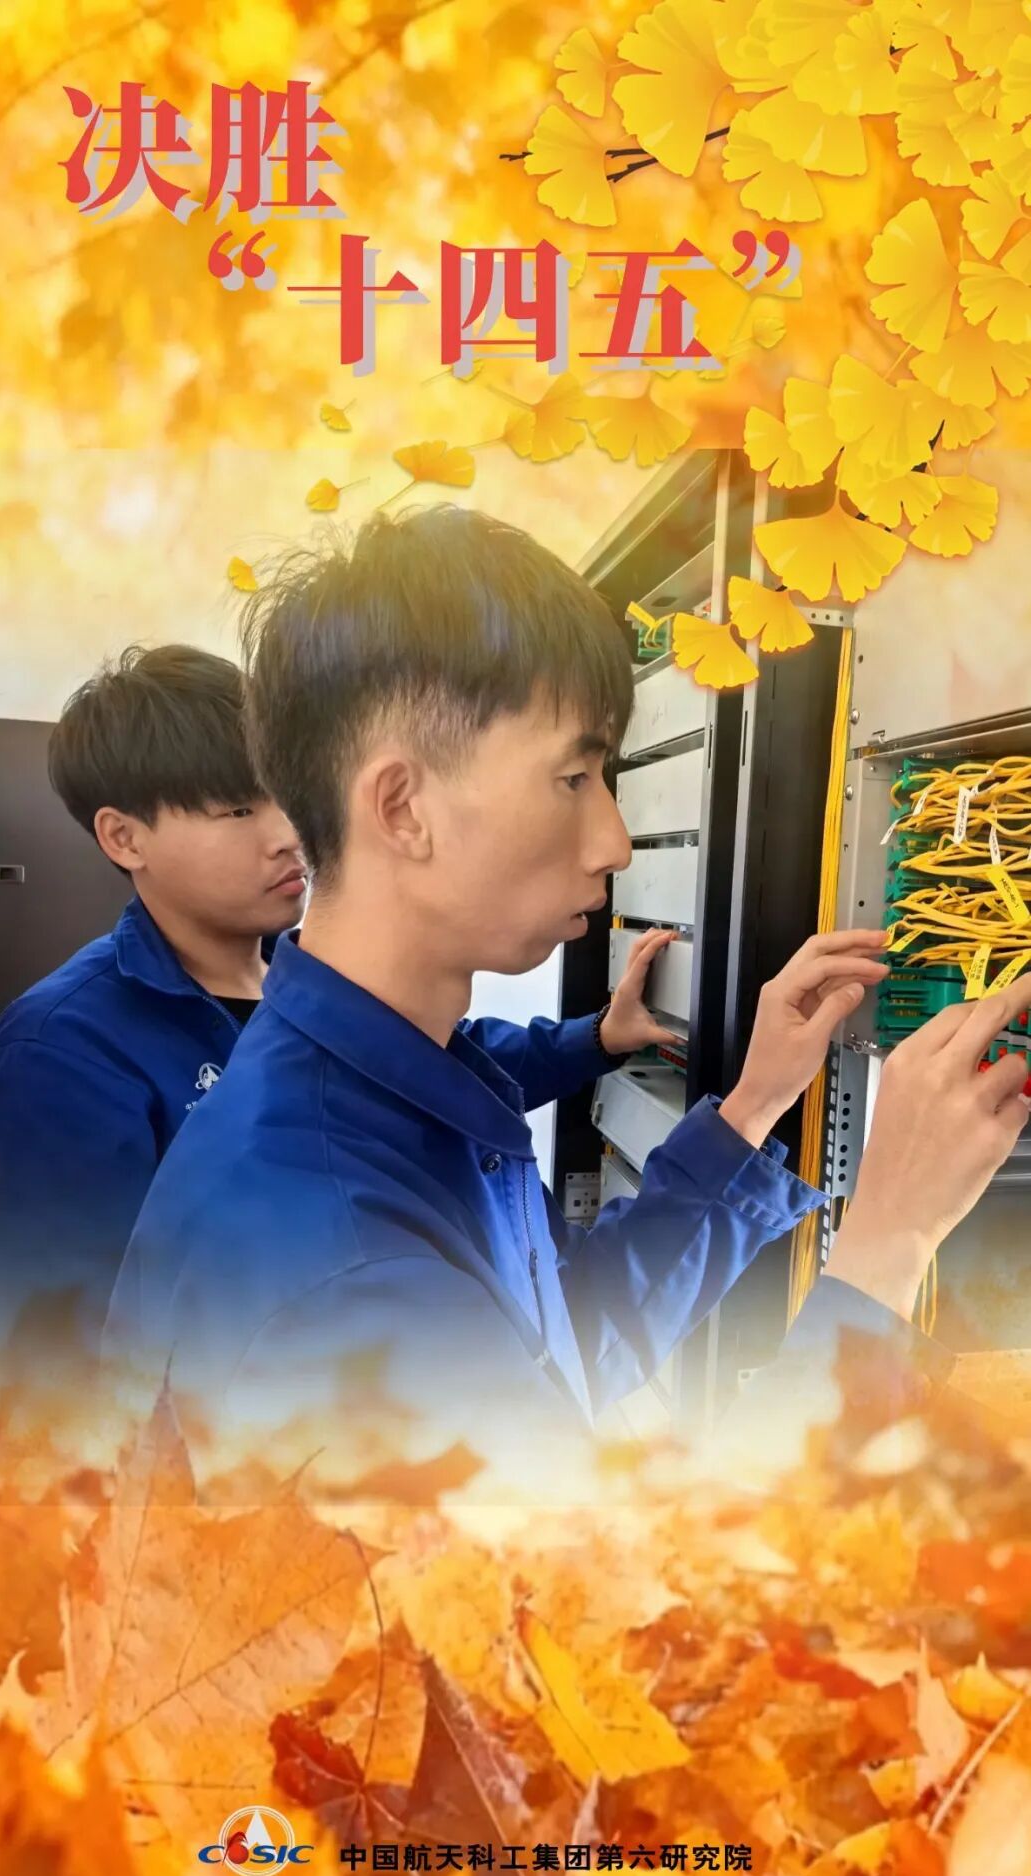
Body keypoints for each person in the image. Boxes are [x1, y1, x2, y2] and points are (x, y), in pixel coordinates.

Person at [101, 507, 1030, 1472]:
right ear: (402, 808)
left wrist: (756, 1103)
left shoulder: (391, 1096)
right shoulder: (341, 1268)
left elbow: (568, 1343)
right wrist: (890, 1239)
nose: (616, 843)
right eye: (574, 777)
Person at [0, 641, 683, 1428]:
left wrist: (596, 1038)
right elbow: (50, 1379)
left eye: (280, 797)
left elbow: (433, 1063)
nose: (286, 835)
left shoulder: (294, 970)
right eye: (237, 810)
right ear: (124, 838)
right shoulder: (59, 1053)